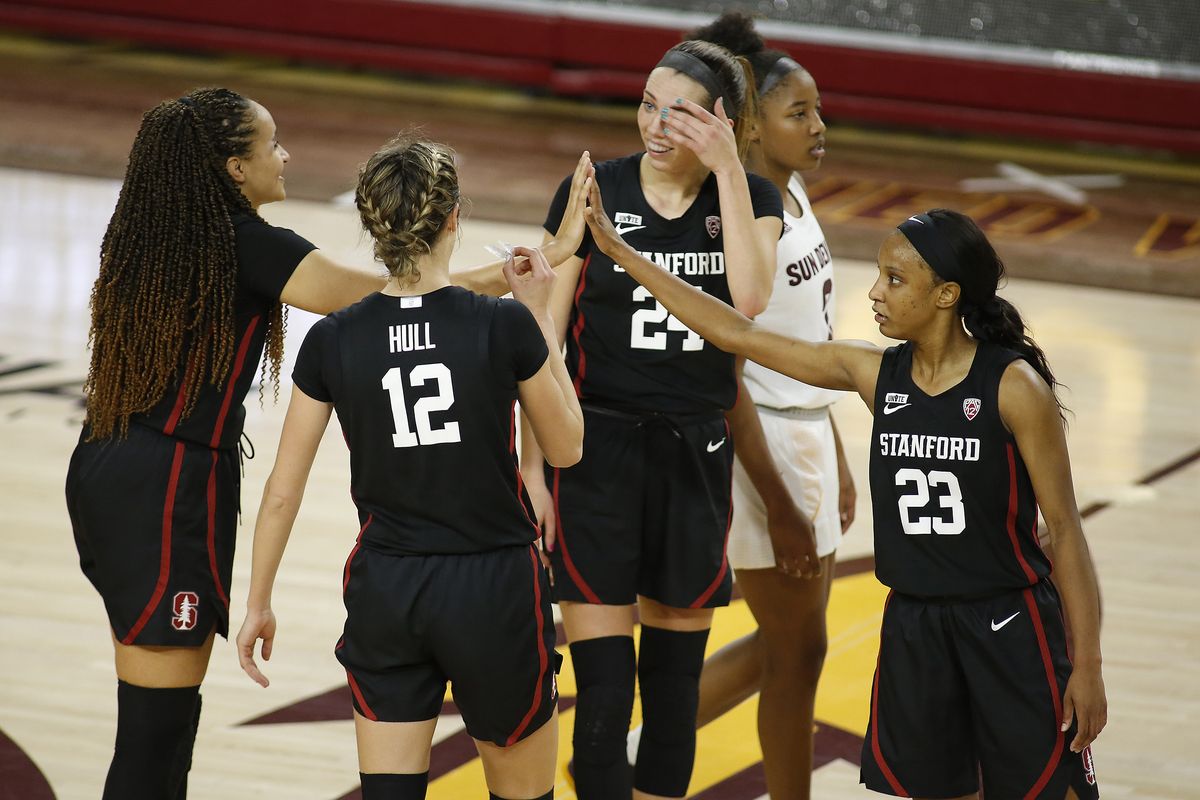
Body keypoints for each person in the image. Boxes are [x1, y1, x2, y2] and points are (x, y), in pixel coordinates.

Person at [64, 87, 589, 799]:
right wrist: (530, 284)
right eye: (270, 144)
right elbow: (382, 297)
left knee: (159, 728)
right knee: (158, 732)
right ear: (233, 169)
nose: (286, 155)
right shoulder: (252, 243)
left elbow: (381, 313)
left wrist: (259, 597)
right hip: (171, 491)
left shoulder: (162, 229)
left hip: (113, 466)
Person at [582, 195, 1106, 799]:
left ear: (946, 295)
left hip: (1007, 624)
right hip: (915, 625)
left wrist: (1086, 667)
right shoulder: (874, 373)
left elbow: (1065, 530)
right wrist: (621, 252)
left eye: (894, 279)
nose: (875, 292)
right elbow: (734, 330)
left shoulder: (1014, 387)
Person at [235, 134, 584, 800]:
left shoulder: (333, 339)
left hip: (388, 587)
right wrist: (538, 313)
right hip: (493, 586)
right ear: (455, 217)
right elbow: (567, 447)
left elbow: (283, 491)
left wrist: (258, 602)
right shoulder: (502, 325)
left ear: (371, 224)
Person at [522, 38, 782, 800]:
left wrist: (729, 169)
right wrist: (530, 469)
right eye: (646, 104)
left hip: (693, 456)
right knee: (601, 704)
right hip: (595, 453)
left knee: (671, 702)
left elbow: (752, 300)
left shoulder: (752, 199)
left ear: (723, 123)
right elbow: (539, 339)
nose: (656, 124)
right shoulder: (593, 188)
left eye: (681, 113)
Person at [641, 13, 856, 799]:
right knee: (798, 655)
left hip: (802, 438)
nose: (819, 125)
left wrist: (833, 451)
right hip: (759, 453)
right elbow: (726, 374)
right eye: (799, 112)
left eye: (818, 109)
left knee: (792, 648)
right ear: (751, 127)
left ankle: (642, 745)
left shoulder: (792, 194)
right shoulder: (743, 225)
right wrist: (778, 497)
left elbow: (814, 342)